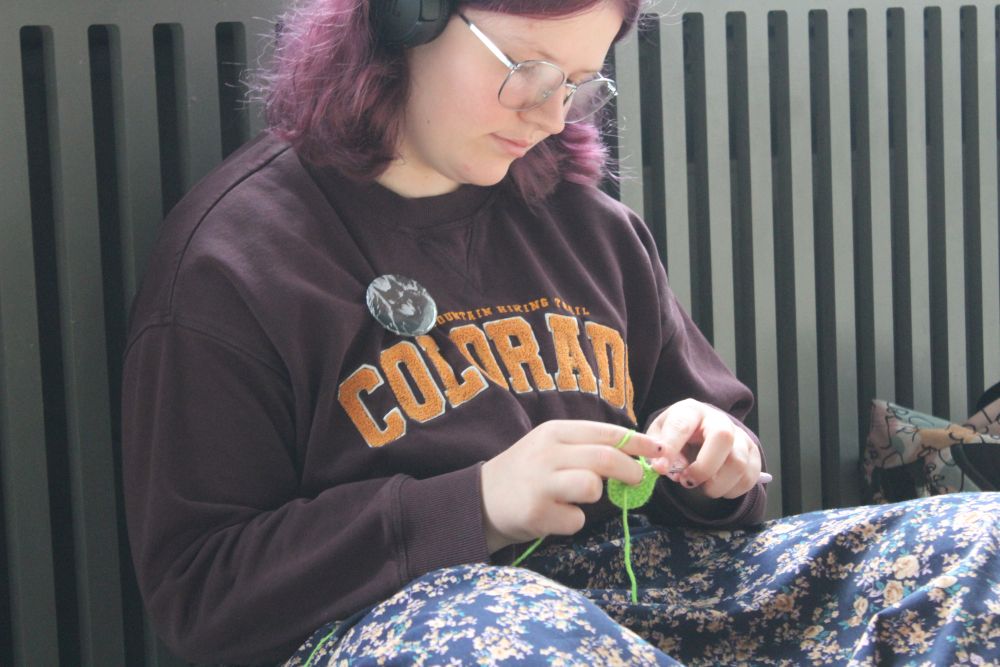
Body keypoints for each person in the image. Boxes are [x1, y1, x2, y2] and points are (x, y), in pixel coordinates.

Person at [121, 0, 1000, 665]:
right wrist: (474, 505)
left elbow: (716, 466)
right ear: (403, 18)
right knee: (526, 637)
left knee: (980, 545)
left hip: (653, 594)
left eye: (580, 83)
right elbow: (201, 590)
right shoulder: (238, 259)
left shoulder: (589, 227)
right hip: (425, 624)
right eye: (527, 68)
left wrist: (718, 458)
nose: (551, 115)